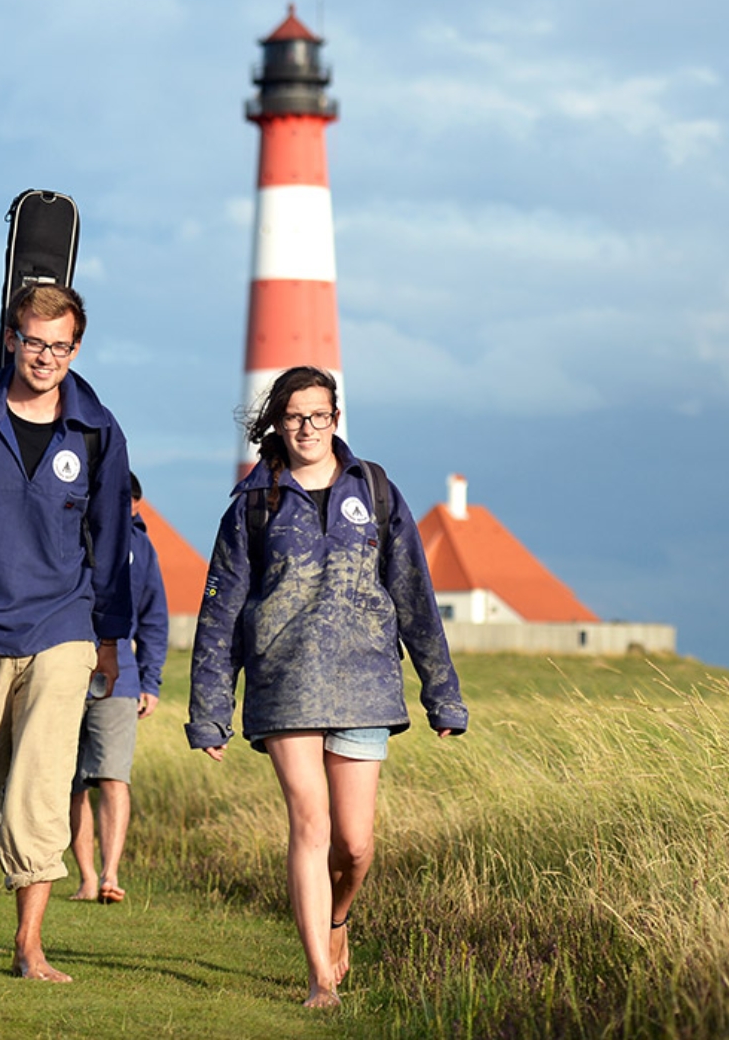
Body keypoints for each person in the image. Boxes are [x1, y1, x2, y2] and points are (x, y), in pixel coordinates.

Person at [188, 365, 469, 1009]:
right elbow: (219, 613)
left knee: (355, 843)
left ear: (336, 418)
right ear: (277, 424)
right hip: (285, 685)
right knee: (309, 824)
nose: (306, 428)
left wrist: (441, 694)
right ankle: (319, 978)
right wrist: (210, 711)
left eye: (318, 415)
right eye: (293, 417)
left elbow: (414, 597)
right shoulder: (252, 505)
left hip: (367, 682)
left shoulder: (373, 490)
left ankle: (339, 916)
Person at [0, 282, 134, 982]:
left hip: (61, 625)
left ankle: (29, 944)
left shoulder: (98, 430)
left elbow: (110, 538)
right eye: (34, 341)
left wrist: (109, 634)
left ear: (77, 348)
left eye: (60, 345)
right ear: (12, 338)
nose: (45, 356)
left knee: (43, 779)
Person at [68, 471, 167, 905]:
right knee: (68, 783)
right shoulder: (71, 535)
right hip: (65, 668)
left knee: (113, 775)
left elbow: (154, 617)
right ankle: (86, 876)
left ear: (136, 506)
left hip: (121, 676)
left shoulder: (142, 548)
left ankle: (110, 873)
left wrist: (151, 679)